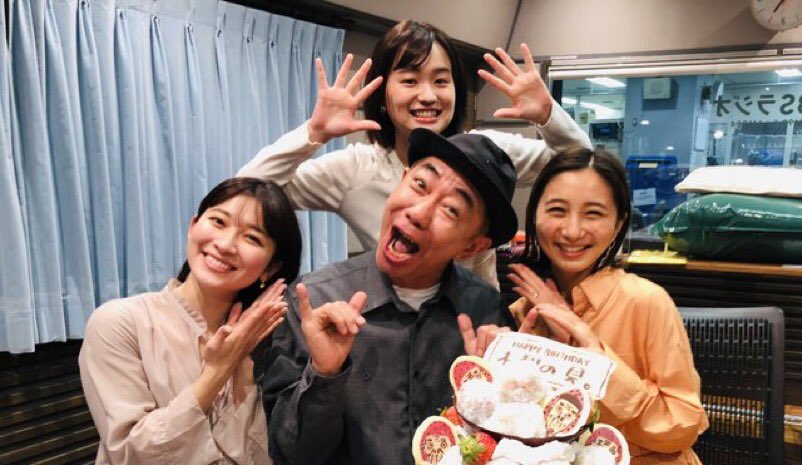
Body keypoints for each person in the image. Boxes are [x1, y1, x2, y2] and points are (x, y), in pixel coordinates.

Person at [260, 129, 516, 465]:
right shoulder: (315, 300)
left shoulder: (485, 313)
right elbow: (291, 455)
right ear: (400, 181)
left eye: (450, 209)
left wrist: (495, 397)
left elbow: (504, 460)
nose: (418, 212)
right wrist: (325, 374)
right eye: (419, 184)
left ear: (473, 246)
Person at [79, 178, 313, 465]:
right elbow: (137, 457)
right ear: (193, 225)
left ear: (269, 268)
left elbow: (259, 464)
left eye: (252, 238)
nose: (225, 244)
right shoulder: (120, 322)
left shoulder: (262, 335)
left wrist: (243, 366)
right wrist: (215, 374)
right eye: (218, 222)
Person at [507, 147, 748, 465]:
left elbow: (682, 425)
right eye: (557, 210)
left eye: (593, 213)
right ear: (533, 216)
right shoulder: (527, 307)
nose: (572, 230)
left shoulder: (646, 301)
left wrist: (590, 356)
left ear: (619, 222)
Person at [238, 20, 591, 288]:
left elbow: (583, 165)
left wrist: (549, 115)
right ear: (382, 94)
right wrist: (313, 134)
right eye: (409, 81)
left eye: (441, 81)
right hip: (389, 324)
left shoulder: (489, 153)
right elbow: (245, 192)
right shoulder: (355, 168)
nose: (428, 96)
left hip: (475, 325)